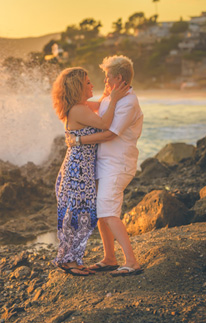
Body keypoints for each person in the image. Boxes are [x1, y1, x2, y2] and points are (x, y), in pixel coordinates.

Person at [66, 56, 145, 276]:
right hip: (104, 164)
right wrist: (69, 103)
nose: (104, 79)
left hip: (119, 164)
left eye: (107, 75)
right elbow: (95, 108)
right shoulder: (112, 97)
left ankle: (132, 261)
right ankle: (110, 257)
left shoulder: (129, 102)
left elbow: (109, 133)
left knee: (109, 212)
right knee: (101, 213)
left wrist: (78, 140)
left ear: (118, 77)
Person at [52, 67, 129, 276]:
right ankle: (68, 262)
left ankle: (72, 260)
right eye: (88, 83)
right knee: (76, 214)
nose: (92, 85)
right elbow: (105, 124)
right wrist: (113, 99)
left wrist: (109, 94)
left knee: (80, 214)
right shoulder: (78, 109)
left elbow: (102, 107)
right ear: (77, 87)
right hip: (77, 168)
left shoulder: (82, 106)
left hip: (81, 168)